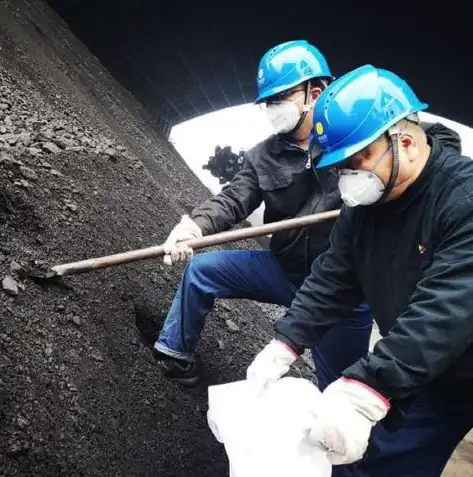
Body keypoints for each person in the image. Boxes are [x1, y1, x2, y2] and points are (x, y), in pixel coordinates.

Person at [143, 40, 459, 389]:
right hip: (283, 270)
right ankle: (174, 353)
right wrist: (196, 225)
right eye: (268, 103)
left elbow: (433, 139)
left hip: (341, 292)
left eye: (281, 98)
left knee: (339, 387)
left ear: (316, 91)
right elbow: (234, 198)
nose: (273, 109)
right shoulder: (263, 156)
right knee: (203, 270)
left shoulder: (360, 140)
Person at [246, 64, 472, 477]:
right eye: (340, 166)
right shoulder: (364, 205)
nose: (348, 176)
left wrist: (366, 388)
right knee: (379, 463)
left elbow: (447, 309)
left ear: (405, 142)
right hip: (433, 369)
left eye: (358, 159)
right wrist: (288, 340)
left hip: (453, 347)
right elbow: (335, 273)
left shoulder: (461, 199)